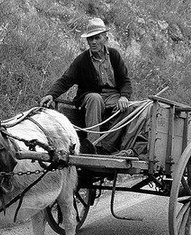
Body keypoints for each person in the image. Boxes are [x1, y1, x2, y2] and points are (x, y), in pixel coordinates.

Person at [40, 18, 133, 154]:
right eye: (90, 39)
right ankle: (93, 145)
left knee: (128, 108)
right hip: (90, 96)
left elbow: (125, 81)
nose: (93, 42)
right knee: (95, 99)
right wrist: (51, 94)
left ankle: (106, 148)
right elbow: (66, 80)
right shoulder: (82, 60)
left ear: (105, 38)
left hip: (112, 96)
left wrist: (124, 97)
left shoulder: (114, 55)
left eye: (97, 38)